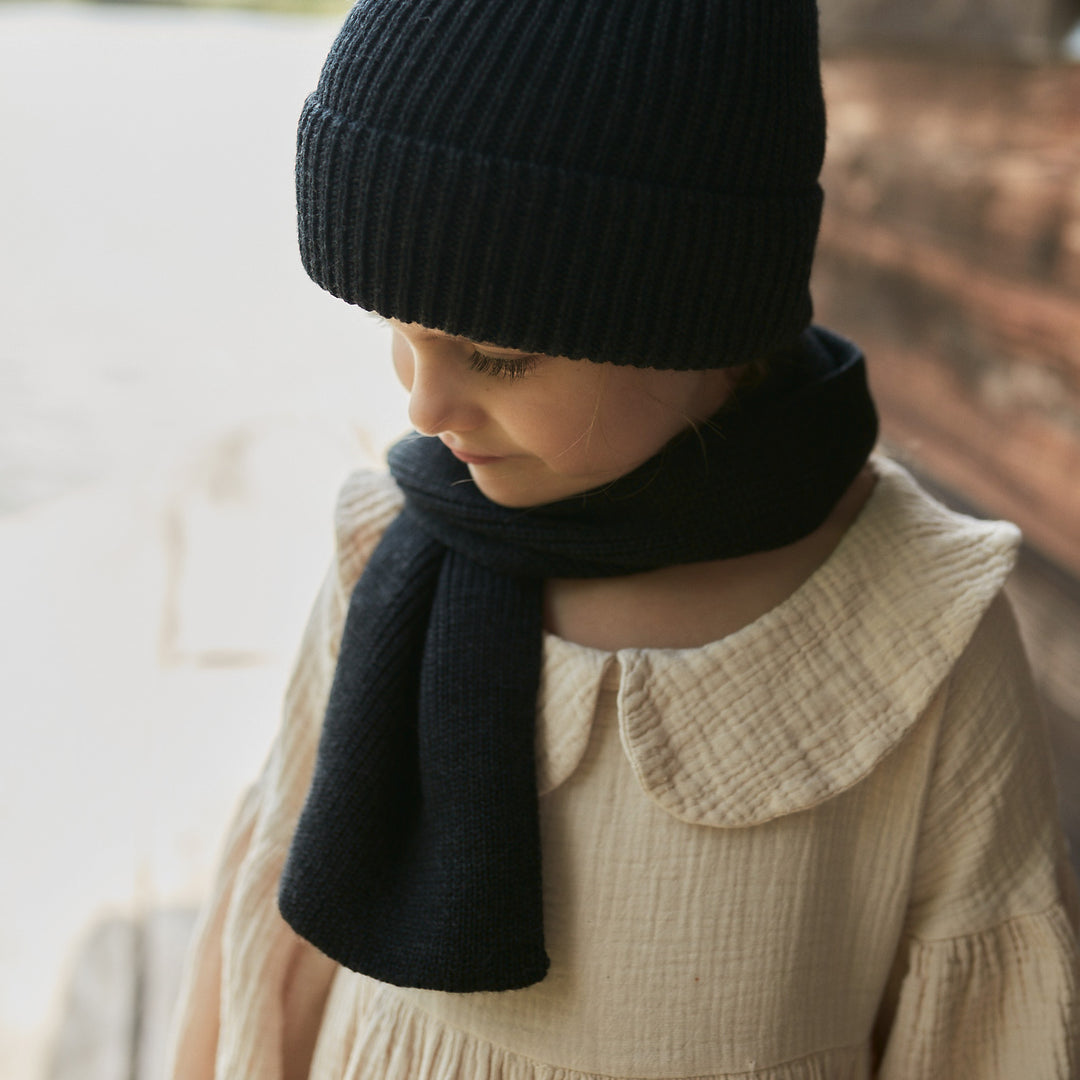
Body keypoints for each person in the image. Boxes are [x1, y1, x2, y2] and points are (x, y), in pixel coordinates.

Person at [165, 0, 1080, 1076]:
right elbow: (264, 977)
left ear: (706, 318)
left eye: (497, 354)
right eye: (398, 336)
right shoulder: (388, 556)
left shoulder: (921, 640)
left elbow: (987, 1039)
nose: (423, 408)